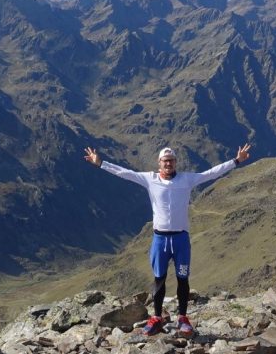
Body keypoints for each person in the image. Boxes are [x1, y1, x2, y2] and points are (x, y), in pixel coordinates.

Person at [83, 142, 252, 337]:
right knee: (159, 280)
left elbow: (212, 173)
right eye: (165, 161)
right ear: (159, 163)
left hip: (181, 240)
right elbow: (124, 173)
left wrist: (237, 161)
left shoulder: (186, 179)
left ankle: (182, 318)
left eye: (171, 161)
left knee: (183, 279)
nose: (168, 164)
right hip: (160, 240)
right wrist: (100, 163)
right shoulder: (149, 179)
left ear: (175, 162)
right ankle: (156, 318)